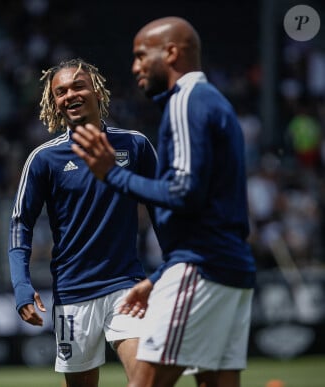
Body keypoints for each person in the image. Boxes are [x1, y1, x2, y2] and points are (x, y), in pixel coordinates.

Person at [71, 17, 256, 387]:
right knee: (215, 382)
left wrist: (113, 174)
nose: (134, 66)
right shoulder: (215, 102)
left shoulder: (186, 101)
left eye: (141, 55)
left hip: (201, 267)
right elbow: (210, 206)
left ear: (171, 52)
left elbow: (183, 192)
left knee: (145, 383)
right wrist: (158, 277)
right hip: (230, 269)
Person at [8, 58, 158, 387]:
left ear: (97, 92)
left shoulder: (134, 145)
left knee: (147, 379)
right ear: (53, 102)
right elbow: (20, 226)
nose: (69, 95)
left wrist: (175, 269)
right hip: (72, 293)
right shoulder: (43, 158)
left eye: (78, 86)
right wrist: (22, 287)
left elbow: (165, 211)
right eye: (60, 91)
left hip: (127, 286)